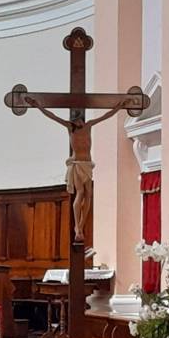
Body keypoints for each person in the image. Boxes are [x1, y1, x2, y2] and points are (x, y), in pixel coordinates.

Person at [25, 96, 128, 242]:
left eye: (79, 120)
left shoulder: (89, 125)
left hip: (87, 164)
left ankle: (80, 225)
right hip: (77, 163)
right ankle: (77, 227)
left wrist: (119, 107)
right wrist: (37, 106)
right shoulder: (70, 128)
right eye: (75, 120)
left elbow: (106, 116)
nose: (77, 122)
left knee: (89, 195)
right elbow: (52, 116)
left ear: (82, 119)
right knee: (80, 193)